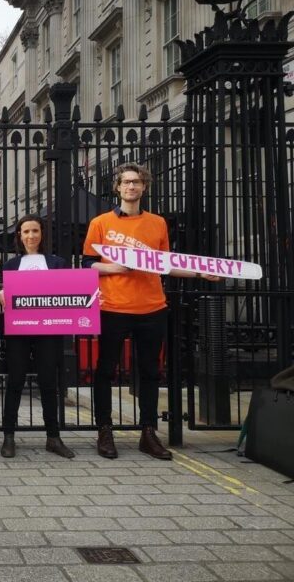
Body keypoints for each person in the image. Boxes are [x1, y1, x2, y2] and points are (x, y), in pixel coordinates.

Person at [82, 163, 218, 460]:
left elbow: (167, 264)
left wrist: (199, 274)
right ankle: (104, 431)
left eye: (137, 182)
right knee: (106, 371)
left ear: (145, 187)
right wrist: (114, 267)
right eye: (126, 182)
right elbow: (86, 263)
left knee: (150, 372)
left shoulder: (158, 223)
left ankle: (148, 432)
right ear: (117, 187)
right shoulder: (101, 223)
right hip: (112, 307)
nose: (132, 187)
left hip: (152, 307)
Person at [0, 214, 75, 459]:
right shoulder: (10, 266)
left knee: (49, 382)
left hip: (48, 330)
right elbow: (0, 291)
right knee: (15, 380)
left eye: (35, 231)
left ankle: (53, 436)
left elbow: (70, 290)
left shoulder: (57, 263)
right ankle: (9, 437)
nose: (30, 236)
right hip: (19, 330)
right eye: (26, 231)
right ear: (19, 236)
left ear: (42, 234)